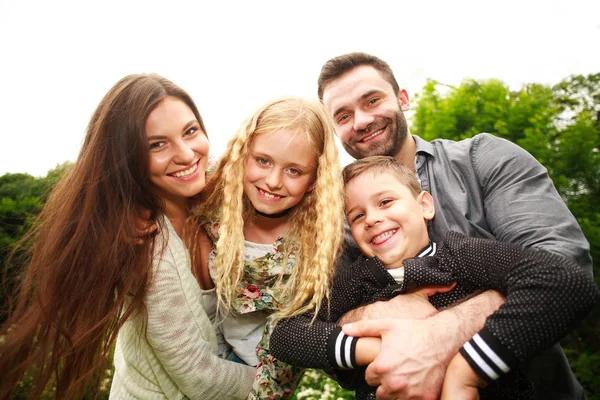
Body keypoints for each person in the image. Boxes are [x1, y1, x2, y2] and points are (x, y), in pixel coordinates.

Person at [316, 52, 593, 399]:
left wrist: (441, 333)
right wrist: (377, 313)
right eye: (343, 115)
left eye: (372, 100)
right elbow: (314, 331)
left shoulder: (483, 159)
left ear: (402, 99)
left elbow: (565, 266)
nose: (360, 120)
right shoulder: (335, 226)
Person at [0, 74, 254, 400]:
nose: (186, 154)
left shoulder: (223, 198)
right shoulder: (144, 246)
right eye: (156, 144)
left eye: (190, 131)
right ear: (126, 159)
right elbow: (200, 378)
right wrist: (282, 373)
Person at [269, 156, 598, 399]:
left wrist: (465, 371)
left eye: (385, 202)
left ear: (424, 205)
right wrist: (377, 349)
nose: (372, 218)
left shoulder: (458, 254)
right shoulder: (359, 279)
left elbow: (565, 281)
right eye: (357, 216)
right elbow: (285, 336)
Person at [192, 97, 345, 399]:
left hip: (264, 380)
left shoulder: (317, 241)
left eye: (294, 171)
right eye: (263, 161)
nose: (273, 181)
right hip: (202, 355)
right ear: (243, 154)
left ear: (314, 180)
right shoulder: (215, 202)